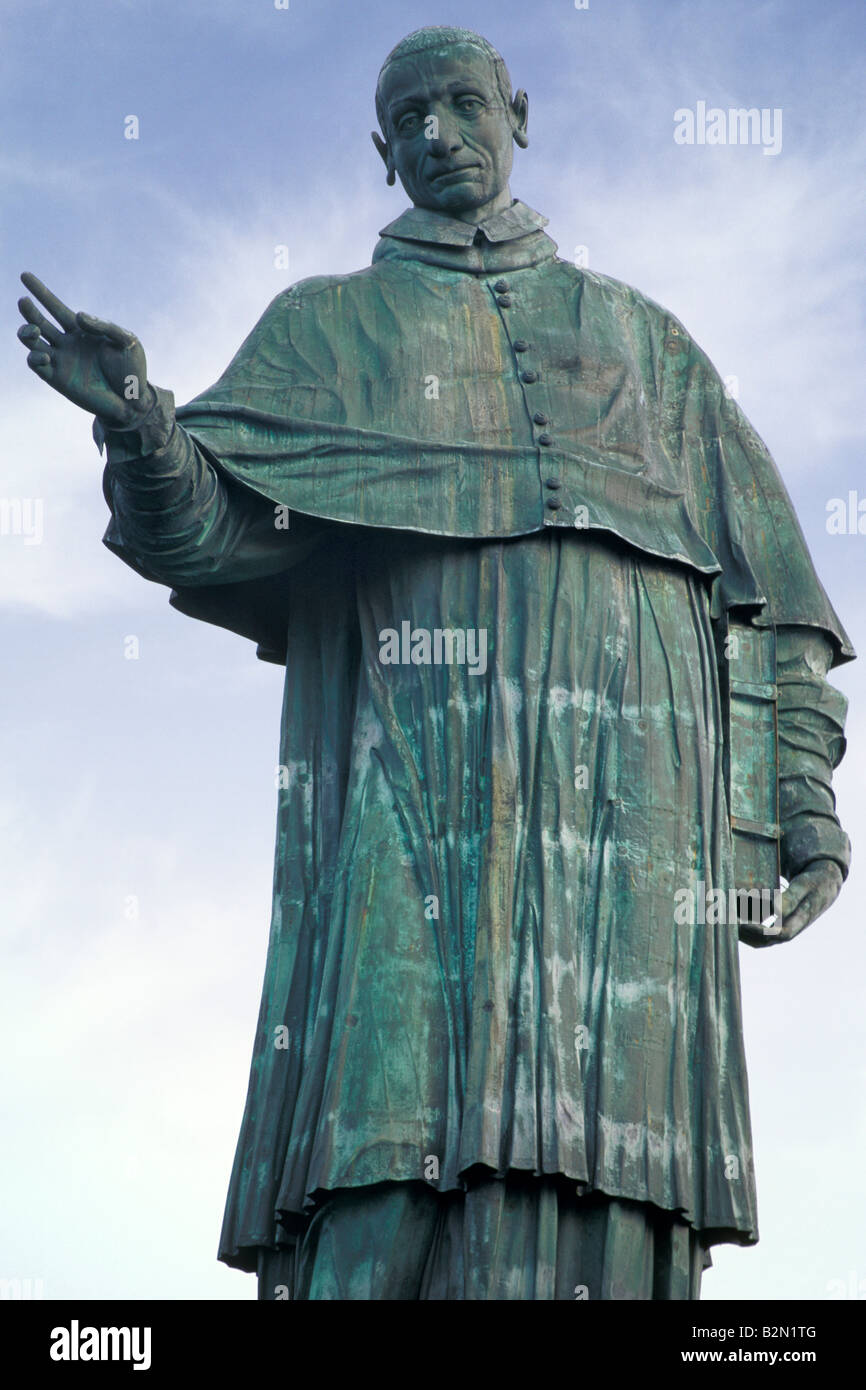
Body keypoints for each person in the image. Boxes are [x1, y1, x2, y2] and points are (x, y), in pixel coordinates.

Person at [17, 26, 853, 1301]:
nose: (436, 134)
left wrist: (801, 810)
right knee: (382, 1136)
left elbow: (775, 605)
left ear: (517, 114)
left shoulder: (646, 345)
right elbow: (206, 527)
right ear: (377, 150)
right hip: (406, 793)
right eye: (406, 118)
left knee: (609, 1170)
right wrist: (140, 425)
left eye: (462, 105)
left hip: (627, 829)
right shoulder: (325, 331)